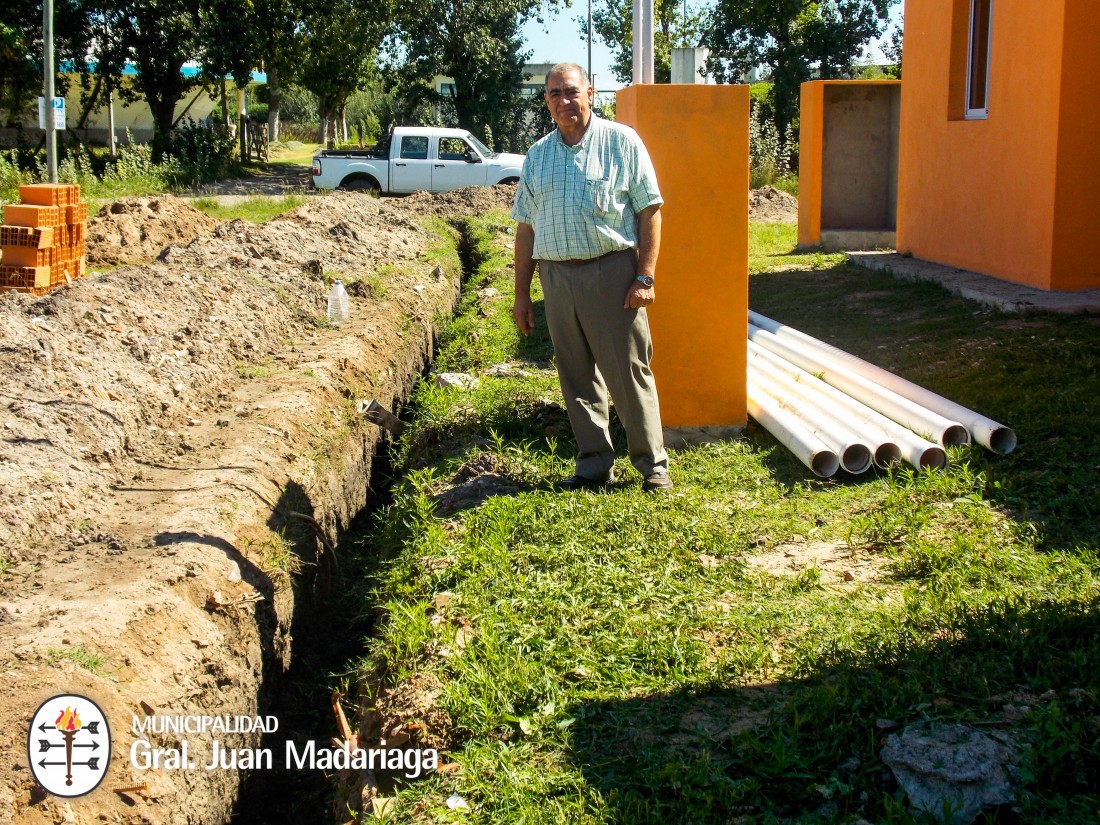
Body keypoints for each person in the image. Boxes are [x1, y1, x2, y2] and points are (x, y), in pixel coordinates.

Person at [511, 63, 673, 493]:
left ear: (590, 93)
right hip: (557, 278)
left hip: (612, 274)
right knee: (576, 375)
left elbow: (649, 210)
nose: (564, 101)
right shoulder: (537, 156)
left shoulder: (621, 142)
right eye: (553, 95)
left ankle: (652, 464)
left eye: (571, 91)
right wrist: (522, 294)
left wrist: (645, 276)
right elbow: (525, 227)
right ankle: (594, 463)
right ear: (546, 102)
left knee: (628, 371)